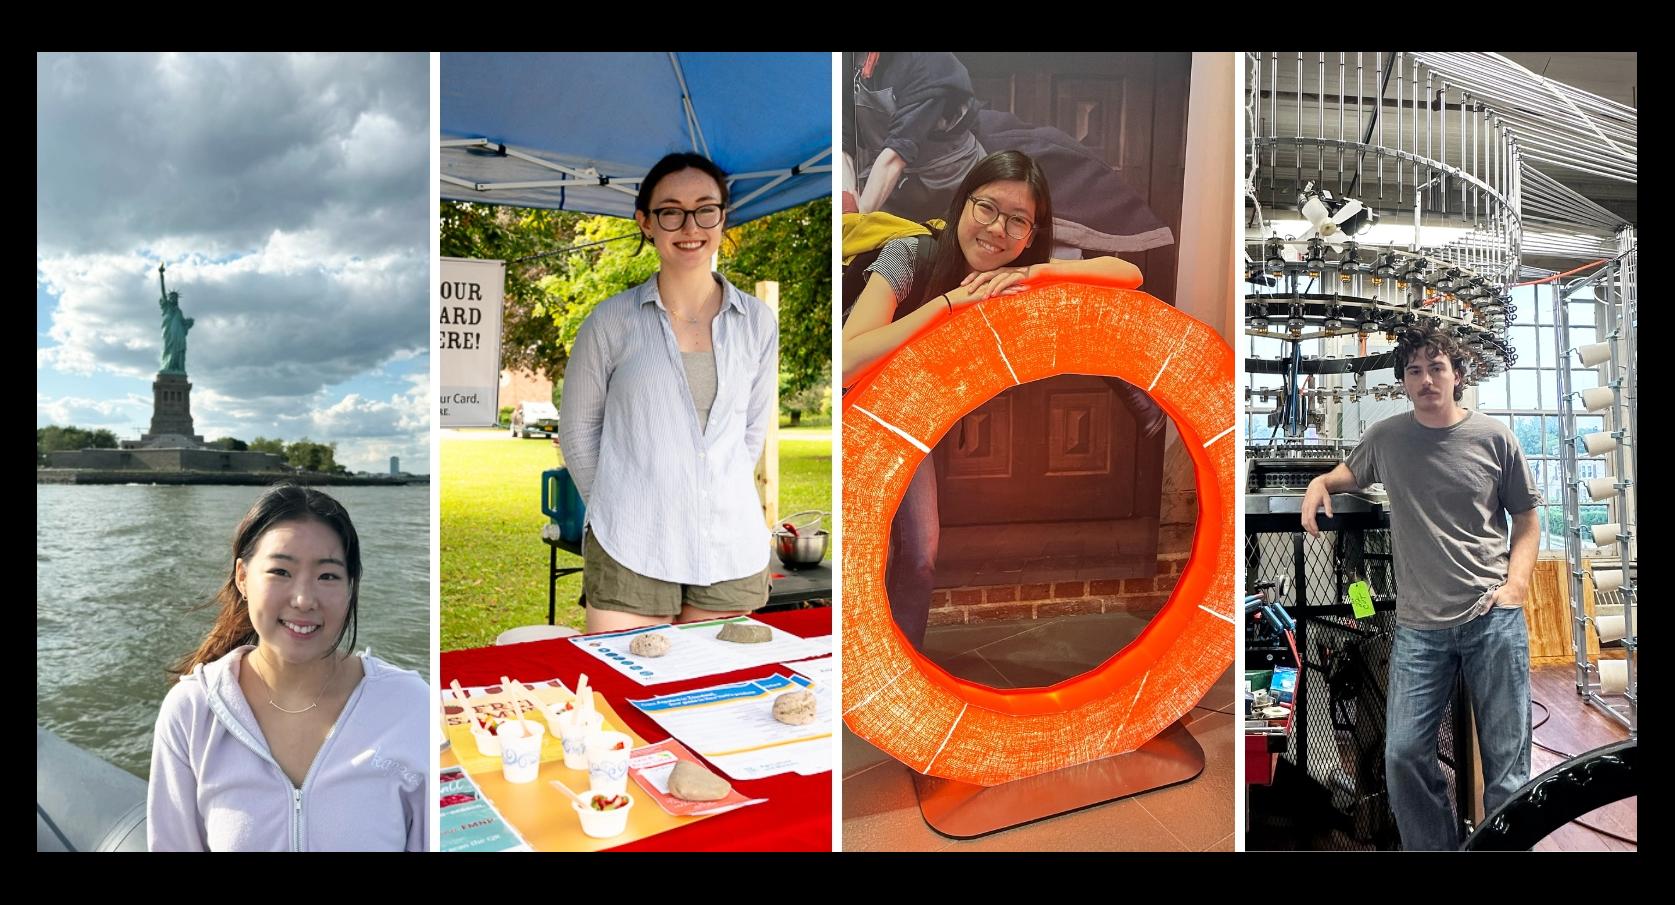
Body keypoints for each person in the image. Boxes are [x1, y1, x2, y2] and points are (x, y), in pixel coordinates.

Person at [842, 149, 1143, 649]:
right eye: (987, 208)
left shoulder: (1013, 276)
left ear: (1032, 233)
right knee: (865, 554)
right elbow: (849, 360)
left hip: (910, 421)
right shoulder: (911, 253)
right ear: (964, 203)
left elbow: (1128, 275)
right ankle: (857, 667)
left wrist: (1037, 275)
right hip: (855, 415)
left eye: (1018, 221)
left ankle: (901, 674)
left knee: (919, 551)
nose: (998, 229)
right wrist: (946, 304)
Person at [1301, 325, 1540, 851]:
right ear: (1404, 382)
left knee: (1507, 767)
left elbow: (1526, 517)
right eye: (1414, 370)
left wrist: (1516, 585)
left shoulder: (1495, 438)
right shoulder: (1386, 438)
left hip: (1491, 617)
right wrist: (1319, 484)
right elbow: (1346, 474)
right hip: (1419, 629)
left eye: (1437, 367)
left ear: (1457, 375)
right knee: (1403, 754)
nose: (1427, 379)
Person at [558, 152, 778, 633]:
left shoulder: (758, 323)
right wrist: (619, 501)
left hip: (729, 544)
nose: (689, 225)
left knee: (717, 696)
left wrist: (715, 489)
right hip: (630, 543)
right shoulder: (610, 321)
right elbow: (577, 431)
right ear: (645, 222)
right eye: (670, 210)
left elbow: (751, 430)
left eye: (705, 208)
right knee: (626, 690)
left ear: (723, 216)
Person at [147, 484, 427, 851]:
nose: (303, 599)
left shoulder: (408, 706)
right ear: (243, 577)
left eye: (327, 576)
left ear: (351, 587)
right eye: (281, 571)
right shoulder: (193, 712)